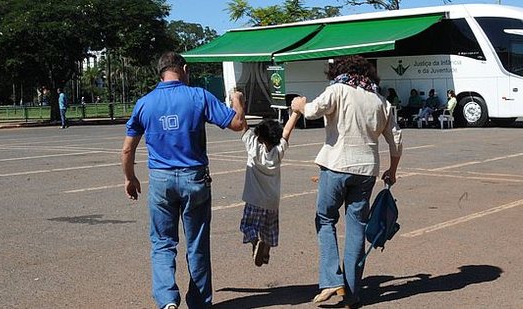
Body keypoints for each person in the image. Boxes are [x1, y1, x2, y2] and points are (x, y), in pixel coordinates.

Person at [121, 51, 245, 309]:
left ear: (161, 72)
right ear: (184, 69)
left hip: (160, 180)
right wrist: (237, 100)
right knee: (197, 243)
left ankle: (167, 300)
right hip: (195, 177)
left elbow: (127, 149)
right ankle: (199, 302)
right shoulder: (198, 95)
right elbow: (237, 123)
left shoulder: (145, 103)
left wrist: (130, 178)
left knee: (162, 242)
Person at [291, 55, 402, 308]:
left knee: (326, 219)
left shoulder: (338, 90)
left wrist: (299, 104)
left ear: (339, 71)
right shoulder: (380, 100)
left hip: (336, 166)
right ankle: (352, 294)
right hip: (366, 172)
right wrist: (392, 171)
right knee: (356, 229)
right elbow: (396, 140)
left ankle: (331, 279)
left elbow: (311, 111)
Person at [239, 111, 301, 267]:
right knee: (269, 229)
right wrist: (295, 114)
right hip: (272, 203)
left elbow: (243, 125)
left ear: (259, 137)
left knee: (248, 226)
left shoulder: (253, 147)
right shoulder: (278, 152)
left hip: (254, 200)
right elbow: (287, 131)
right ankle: (265, 252)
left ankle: (255, 241)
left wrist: (238, 101)